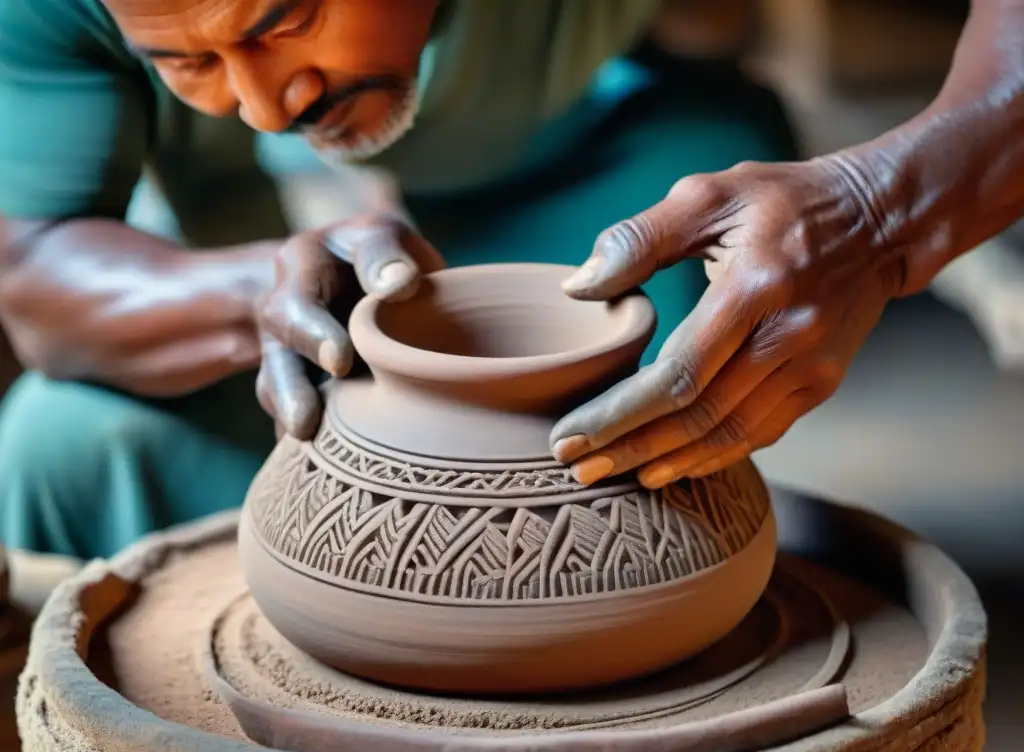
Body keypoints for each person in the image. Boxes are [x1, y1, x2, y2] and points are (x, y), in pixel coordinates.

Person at [0, 1, 1013, 560]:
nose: (263, 105)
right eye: (189, 62)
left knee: (619, 437)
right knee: (58, 441)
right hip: (278, 237)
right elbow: (32, 262)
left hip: (598, 135)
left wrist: (879, 210)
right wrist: (257, 290)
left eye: (286, 18)